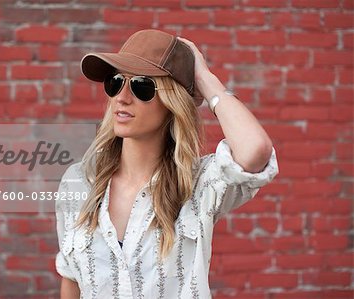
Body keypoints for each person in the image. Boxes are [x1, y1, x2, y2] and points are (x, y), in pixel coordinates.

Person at [55, 29, 278, 299]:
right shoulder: (79, 181)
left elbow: (255, 150)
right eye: (115, 82)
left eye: (141, 86)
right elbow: (71, 279)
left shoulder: (198, 185)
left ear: (173, 103)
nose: (122, 97)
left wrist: (206, 81)